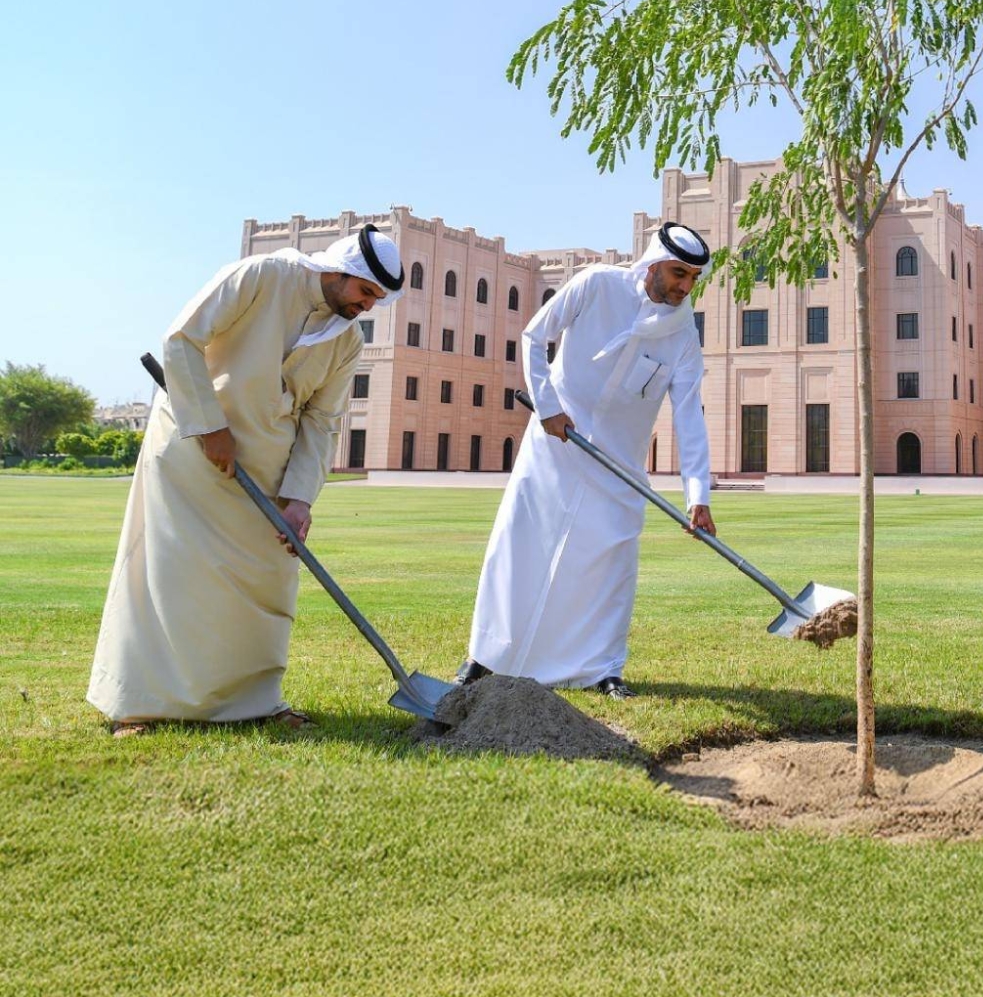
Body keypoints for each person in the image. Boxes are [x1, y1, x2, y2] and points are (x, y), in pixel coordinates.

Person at [87, 225, 405, 736]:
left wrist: (299, 498)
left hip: (266, 473)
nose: (369, 305)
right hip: (191, 453)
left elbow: (322, 420)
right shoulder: (261, 275)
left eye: (378, 298)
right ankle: (139, 703)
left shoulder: (348, 340)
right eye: (366, 291)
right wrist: (211, 426)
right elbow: (181, 339)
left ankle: (257, 700)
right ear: (340, 271)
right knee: (168, 577)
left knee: (268, 581)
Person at [459, 222, 716, 699]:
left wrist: (698, 495)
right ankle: (483, 657)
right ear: (654, 263)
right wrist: (550, 407)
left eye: (693, 279)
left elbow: (689, 415)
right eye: (679, 273)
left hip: (619, 466)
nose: (684, 286)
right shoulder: (596, 284)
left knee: (610, 566)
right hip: (555, 445)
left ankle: (602, 669)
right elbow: (535, 337)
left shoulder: (683, 336)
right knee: (518, 545)